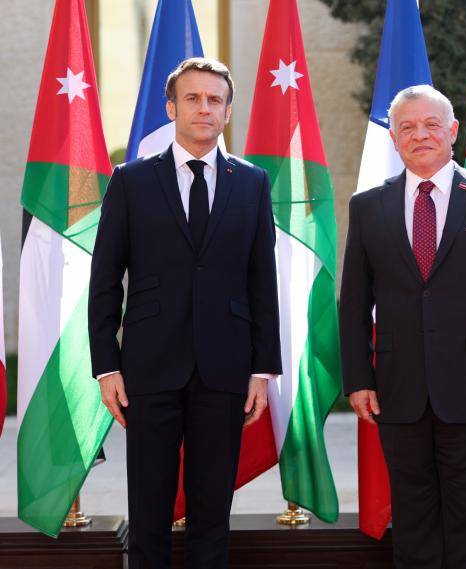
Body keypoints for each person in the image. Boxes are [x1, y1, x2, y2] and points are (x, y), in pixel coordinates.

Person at [88, 57, 281, 569]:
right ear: (172, 107)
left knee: (212, 511)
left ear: (228, 111)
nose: (204, 108)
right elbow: (104, 281)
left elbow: (262, 281)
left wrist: (263, 369)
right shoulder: (131, 181)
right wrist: (106, 367)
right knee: (148, 507)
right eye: (192, 98)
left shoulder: (253, 182)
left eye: (215, 99)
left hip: (226, 368)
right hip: (148, 367)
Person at [339, 85, 466, 569]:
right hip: (397, 387)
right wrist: (359, 379)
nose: (419, 134)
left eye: (431, 124)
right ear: (393, 138)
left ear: (452, 130)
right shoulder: (368, 205)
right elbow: (355, 301)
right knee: (413, 519)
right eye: (406, 127)